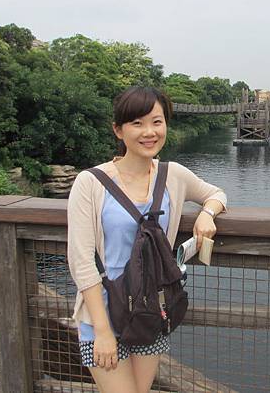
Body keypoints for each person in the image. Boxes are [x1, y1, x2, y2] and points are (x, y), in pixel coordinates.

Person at [67, 86, 227, 393]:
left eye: (157, 122)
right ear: (118, 130)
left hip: (150, 311)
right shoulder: (90, 182)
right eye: (137, 123)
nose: (149, 132)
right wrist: (102, 331)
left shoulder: (173, 175)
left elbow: (216, 193)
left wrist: (207, 214)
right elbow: (81, 260)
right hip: (102, 315)